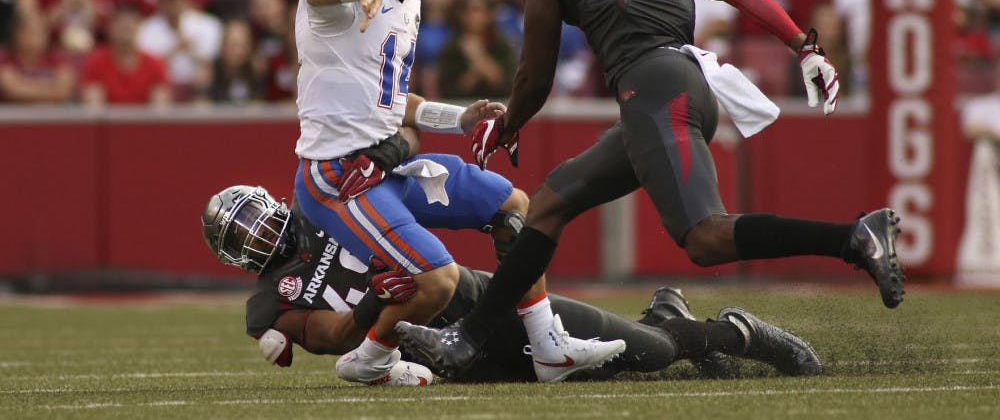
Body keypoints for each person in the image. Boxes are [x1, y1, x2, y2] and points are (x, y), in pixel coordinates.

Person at [395, 0, 906, 378]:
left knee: (706, 238)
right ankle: (465, 341)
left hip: (654, 87)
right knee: (548, 204)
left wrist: (510, 121)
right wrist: (801, 43)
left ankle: (854, 238)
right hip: (685, 79)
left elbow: (538, 64)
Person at [288, 0, 625, 385]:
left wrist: (460, 118)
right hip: (339, 178)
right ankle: (371, 360)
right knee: (438, 283)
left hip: (387, 168)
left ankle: (547, 346)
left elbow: (391, 100)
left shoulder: (406, 3)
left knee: (515, 207)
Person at [200, 184, 824, 384]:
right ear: (233, 255)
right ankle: (668, 316)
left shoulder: (325, 205)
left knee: (652, 355)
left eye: (253, 214)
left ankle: (735, 332)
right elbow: (333, 335)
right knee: (612, 370)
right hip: (446, 360)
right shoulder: (266, 306)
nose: (257, 231)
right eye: (241, 232)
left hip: (479, 302)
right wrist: (376, 298)